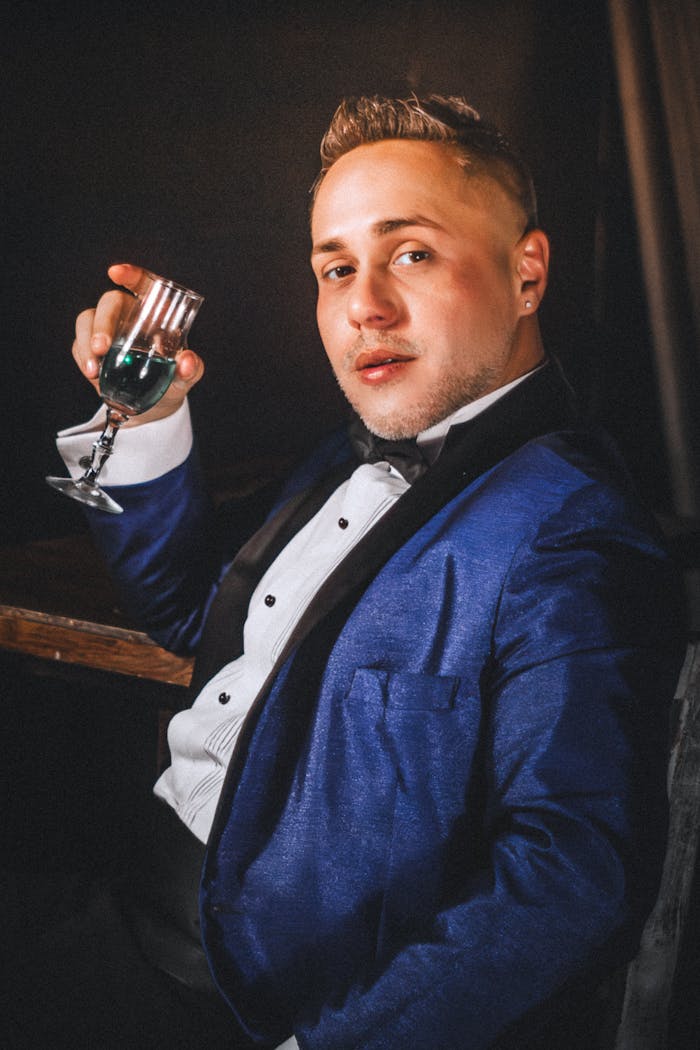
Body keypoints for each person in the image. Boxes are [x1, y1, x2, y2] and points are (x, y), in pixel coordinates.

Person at [14, 95, 684, 1048]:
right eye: (336, 268)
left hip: (265, 1005)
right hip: (135, 907)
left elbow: (573, 879)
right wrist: (151, 417)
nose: (364, 305)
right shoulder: (349, 448)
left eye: (410, 253)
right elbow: (188, 612)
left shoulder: (572, 529)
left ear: (526, 272)